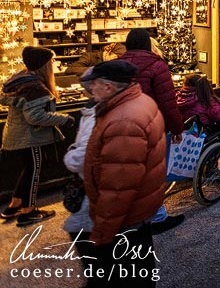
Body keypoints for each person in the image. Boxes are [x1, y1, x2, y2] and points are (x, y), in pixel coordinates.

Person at [82, 59, 166, 286]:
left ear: (109, 86)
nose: (91, 90)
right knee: (140, 267)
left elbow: (118, 186)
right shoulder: (140, 101)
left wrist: (102, 231)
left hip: (126, 217)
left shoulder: (123, 121)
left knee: (125, 274)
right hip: (140, 209)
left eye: (95, 84)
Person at [118, 28, 184, 234]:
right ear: (148, 44)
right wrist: (177, 128)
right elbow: (168, 102)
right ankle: (157, 217)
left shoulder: (116, 65)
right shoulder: (157, 65)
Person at [1, 46, 74, 226]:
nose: (53, 64)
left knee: (28, 170)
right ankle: (29, 211)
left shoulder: (22, 80)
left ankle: (14, 204)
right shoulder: (35, 87)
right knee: (33, 172)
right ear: (44, 65)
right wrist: (64, 119)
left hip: (17, 135)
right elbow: (35, 117)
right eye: (52, 61)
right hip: (29, 137)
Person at [62, 71, 96, 265]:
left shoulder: (95, 113)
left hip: (94, 183)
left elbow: (83, 155)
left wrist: (71, 155)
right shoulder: (97, 111)